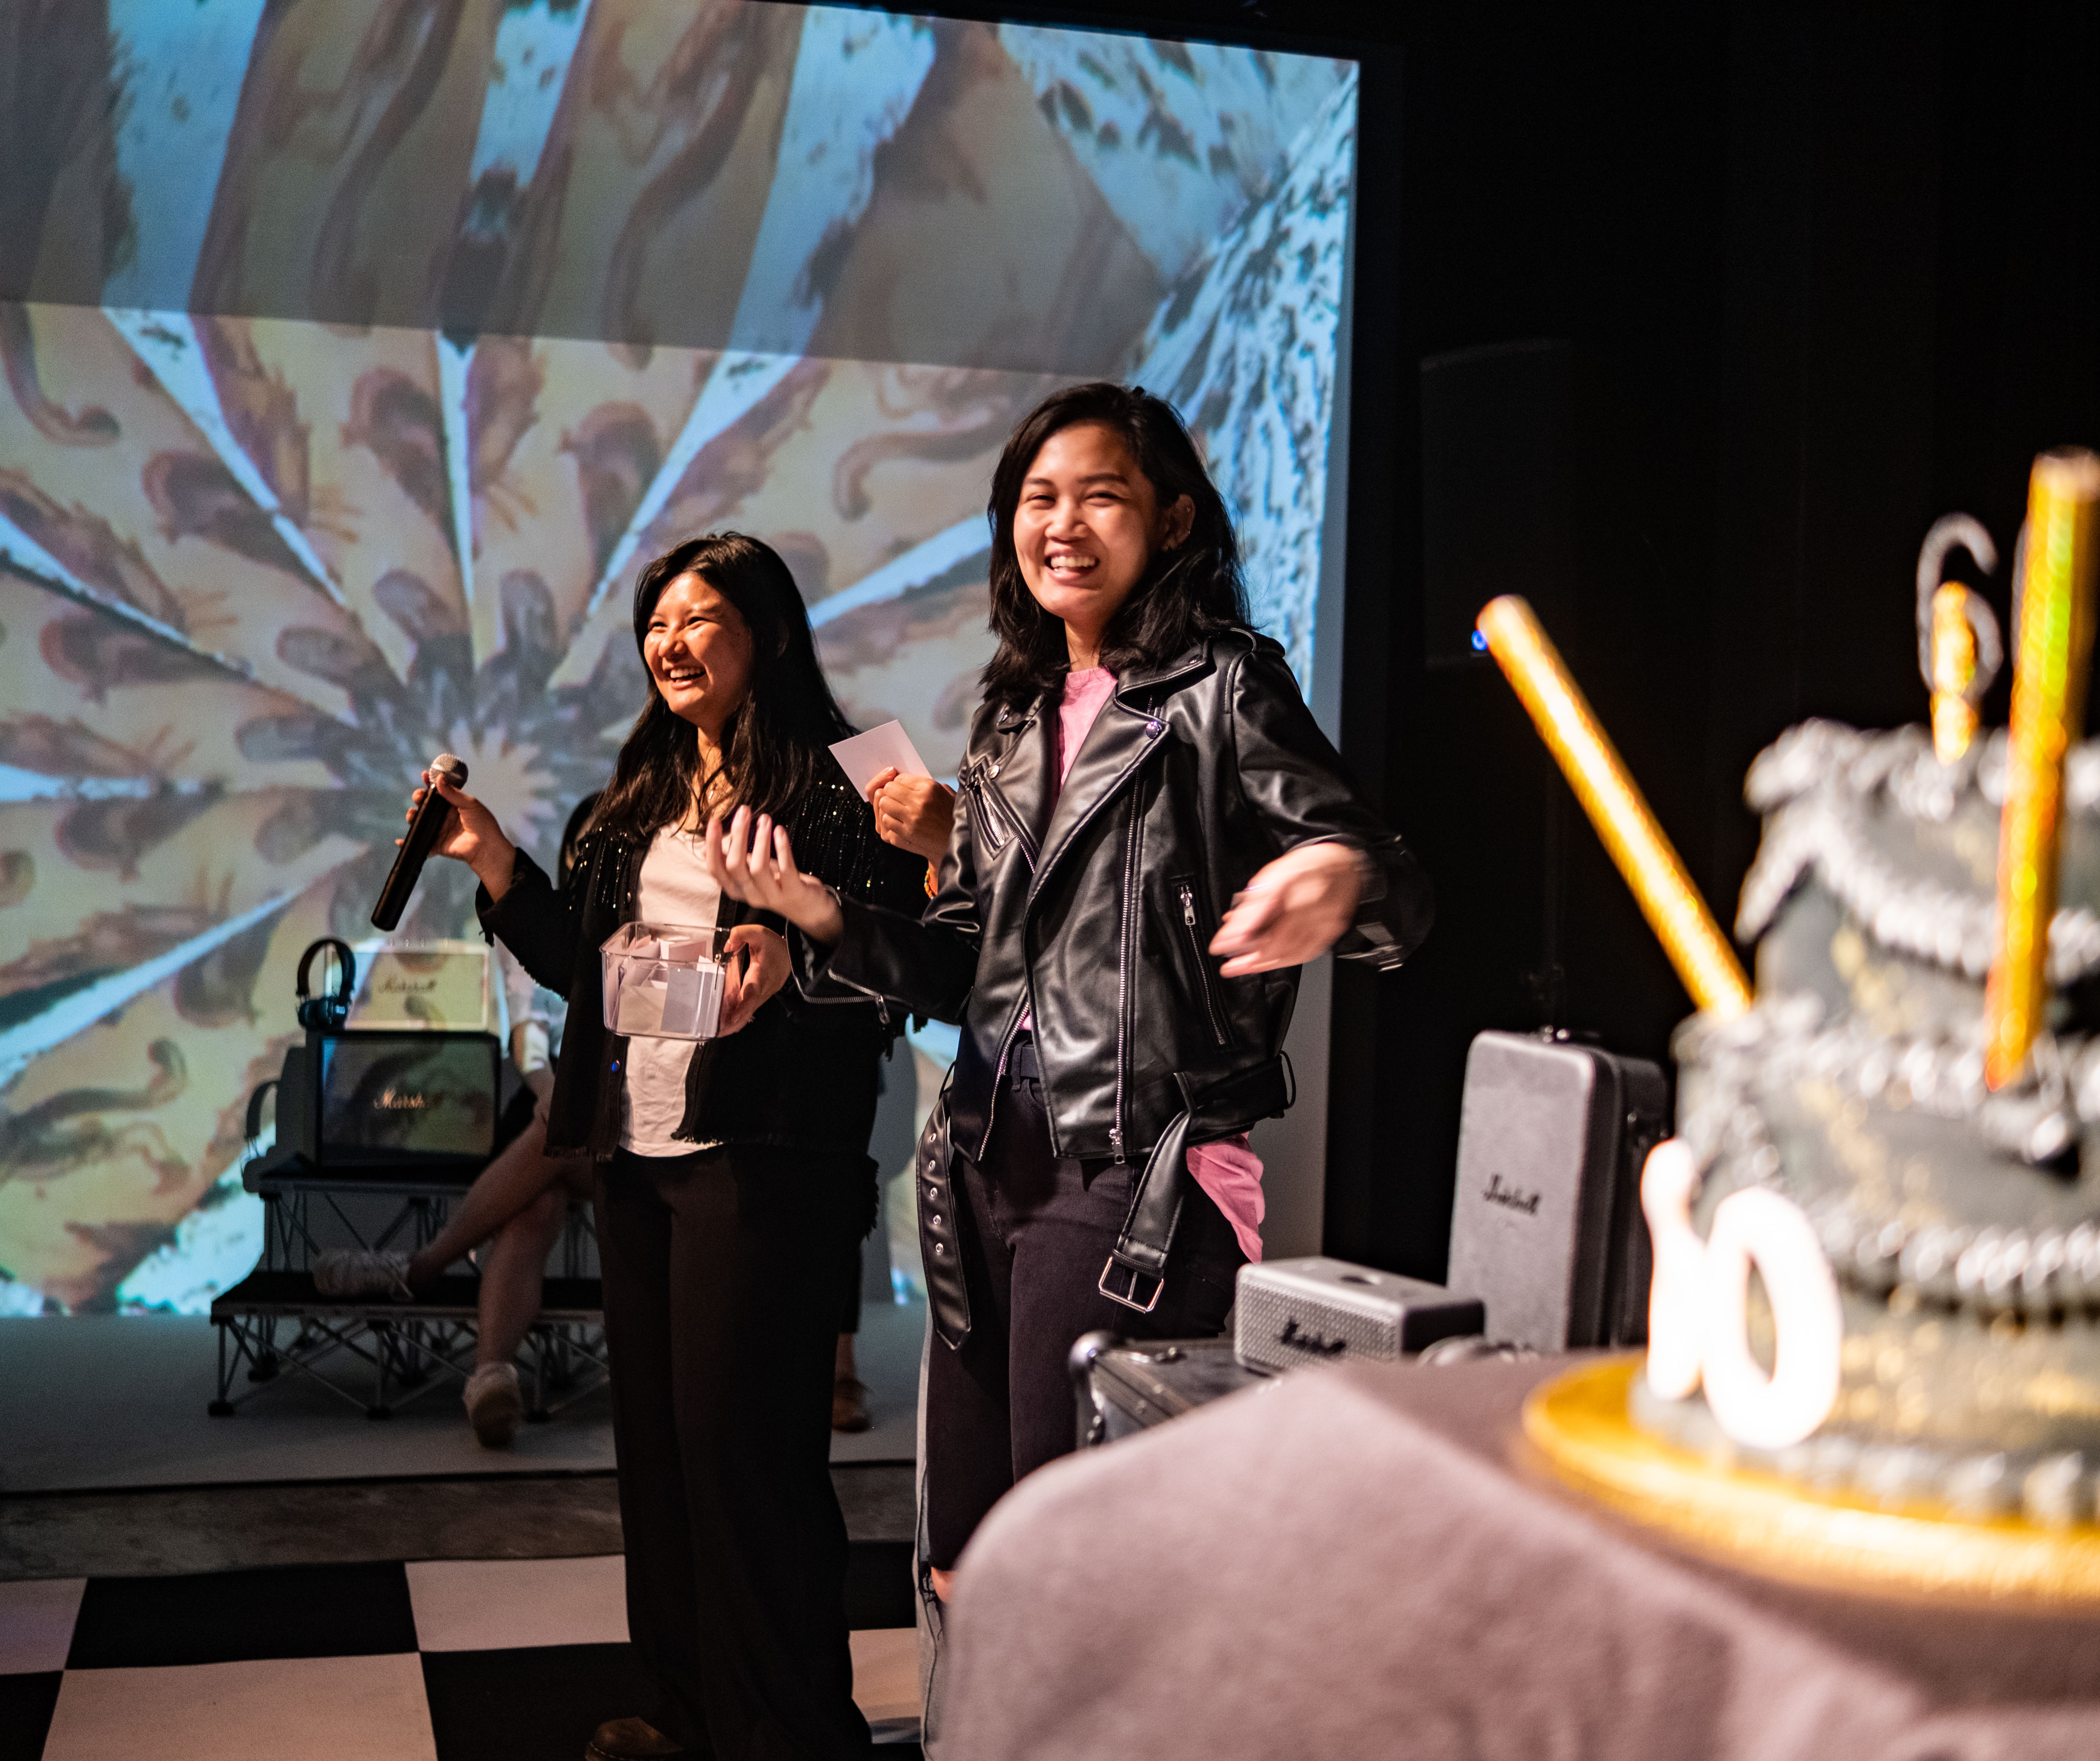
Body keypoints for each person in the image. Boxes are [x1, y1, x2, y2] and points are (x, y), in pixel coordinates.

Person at [704, 383, 1432, 1617]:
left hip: (1131, 1173)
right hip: (983, 1160)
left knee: (1078, 1569)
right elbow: (962, 963)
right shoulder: (1007, 715)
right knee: (965, 1562)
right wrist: (821, 920)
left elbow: (1397, 886)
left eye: (1101, 496)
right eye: (1038, 499)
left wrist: (1335, 874)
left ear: (1174, 523)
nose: (1063, 523)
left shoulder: (1222, 687)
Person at [413, 533, 923, 1761]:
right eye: (655, 622)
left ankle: (792, 1733)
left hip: (771, 1156)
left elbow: (918, 948)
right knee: (658, 1456)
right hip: (638, 1158)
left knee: (745, 1458)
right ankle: (692, 1715)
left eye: (700, 618)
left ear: (770, 633)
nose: (670, 642)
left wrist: (801, 951)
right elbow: (584, 975)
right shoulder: (632, 796)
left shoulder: (861, 771)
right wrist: (489, 858)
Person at [315, 798, 603, 1450]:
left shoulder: (645, 926)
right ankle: (491, 1376)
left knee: (560, 1133)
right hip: (550, 1106)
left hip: (622, 1120)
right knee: (536, 1204)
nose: (597, 858)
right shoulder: (540, 924)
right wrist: (550, 1086)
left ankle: (420, 1268)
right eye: (585, 847)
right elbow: (527, 1036)